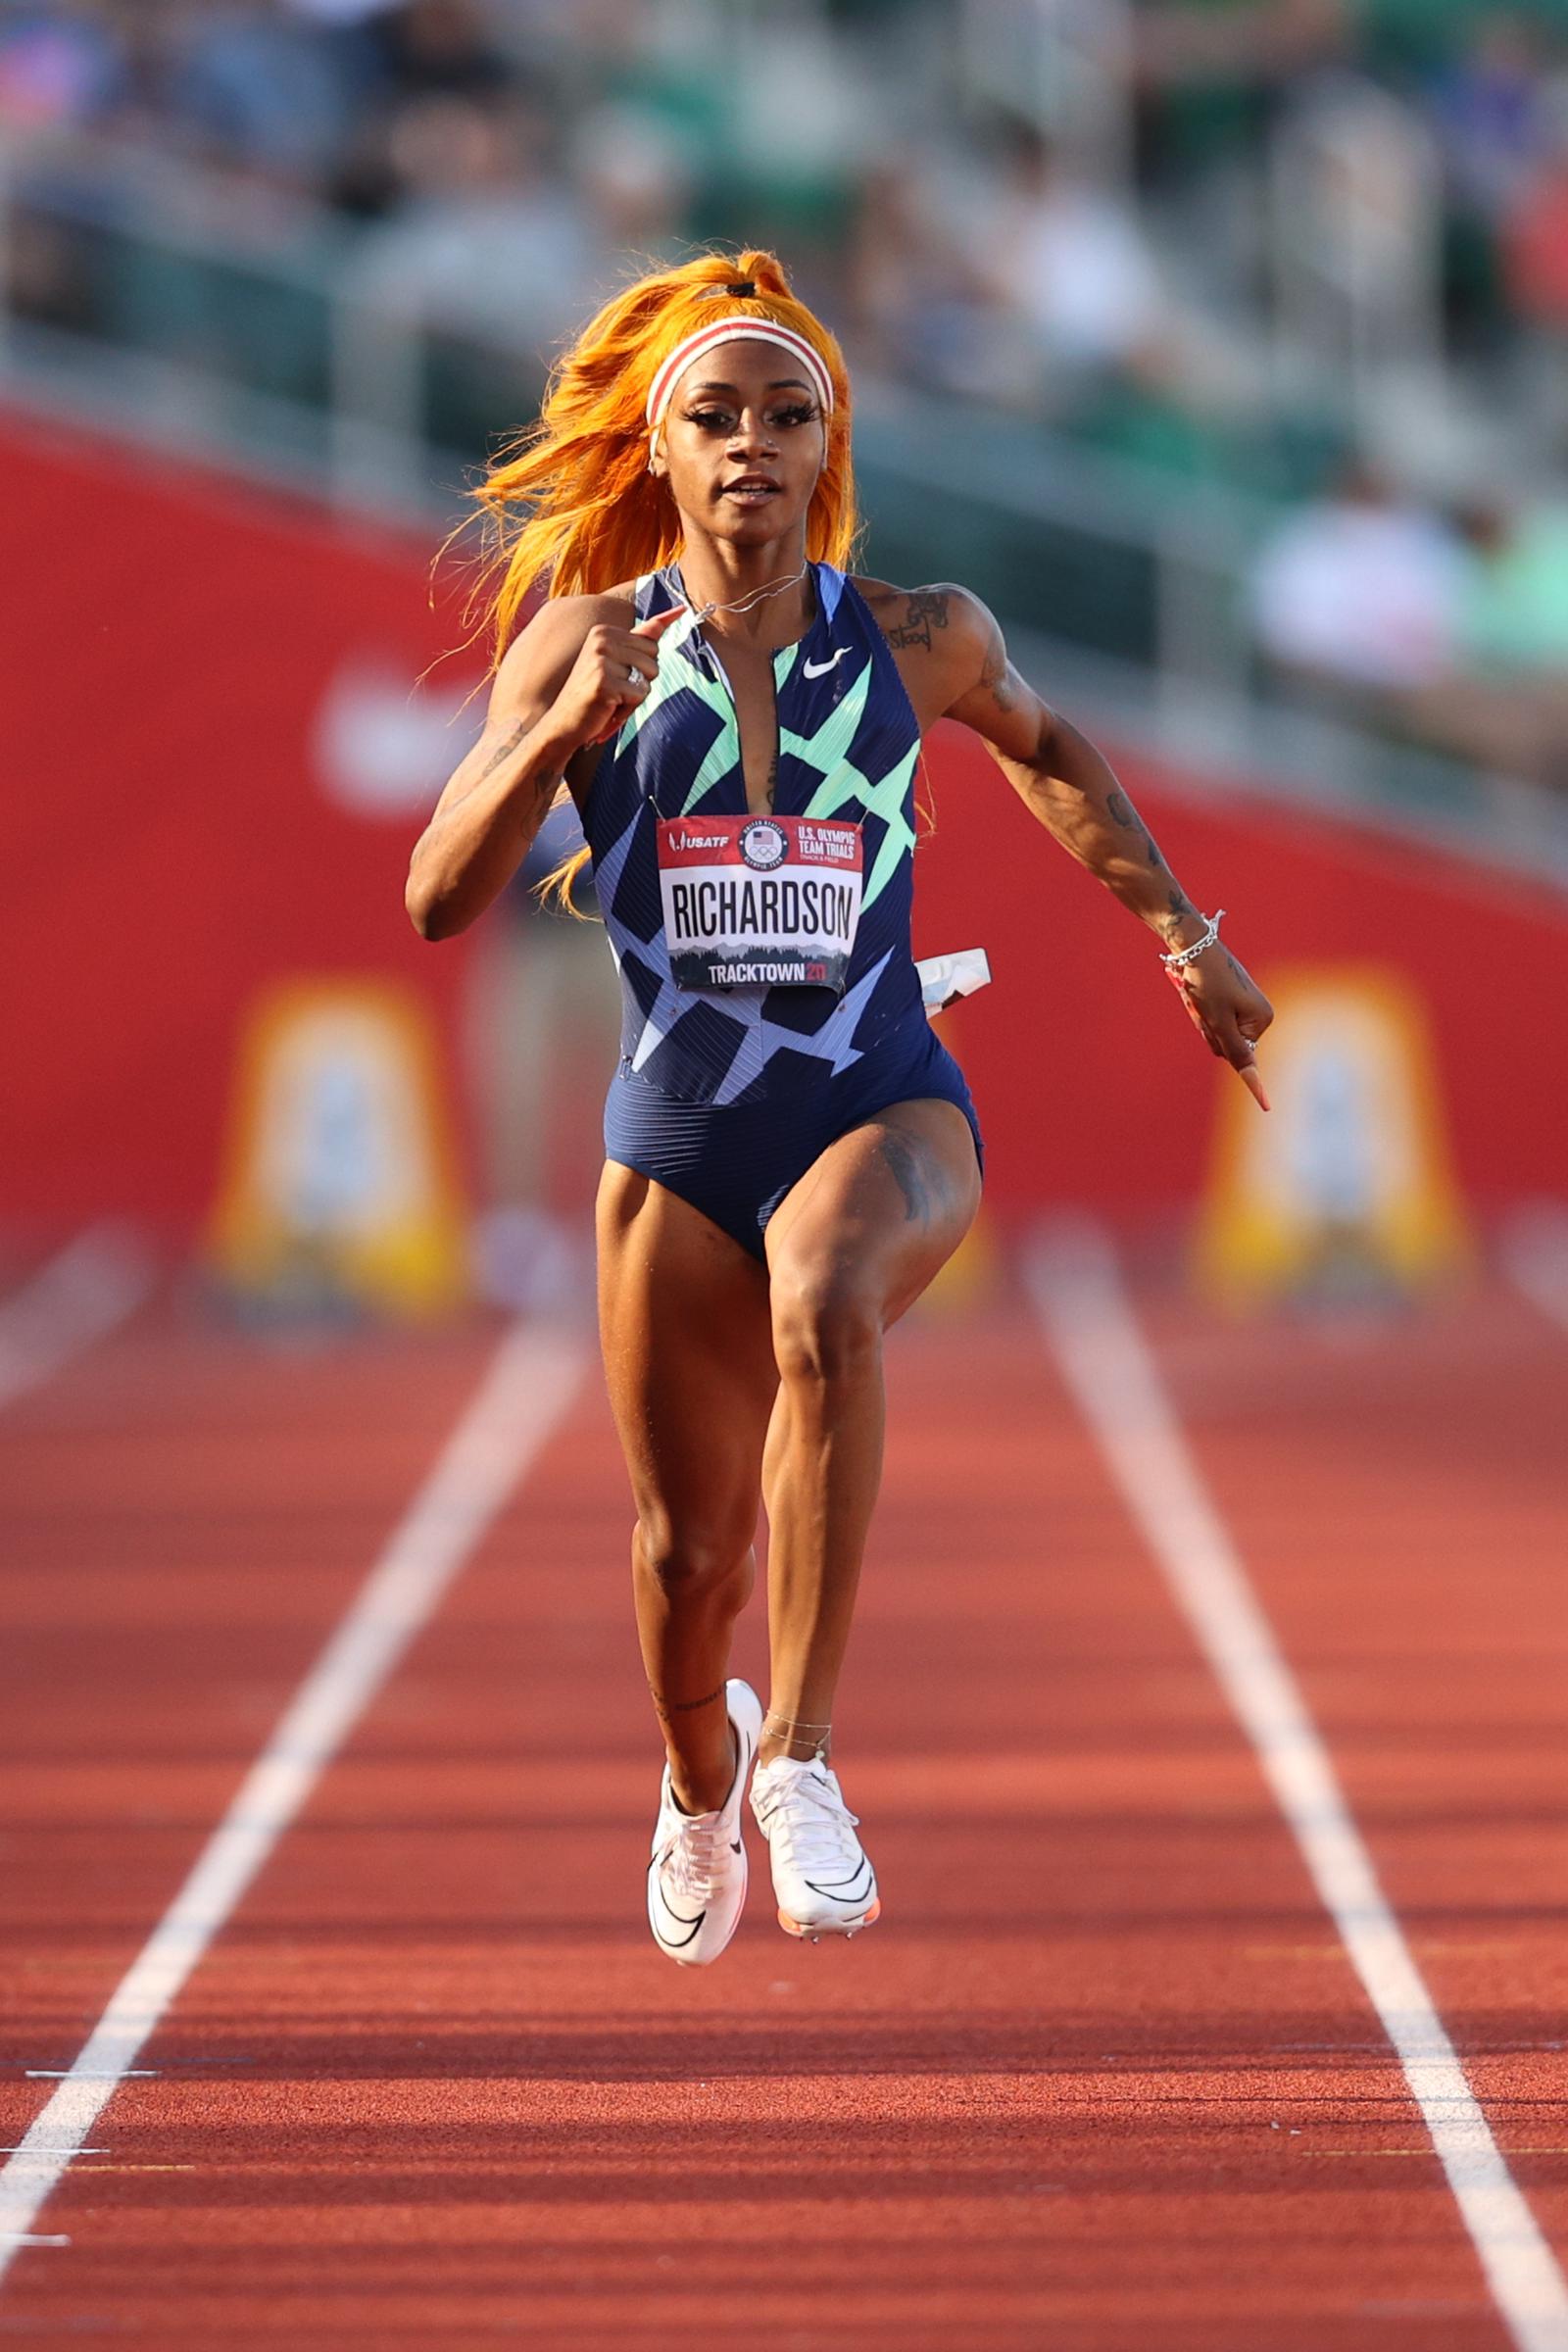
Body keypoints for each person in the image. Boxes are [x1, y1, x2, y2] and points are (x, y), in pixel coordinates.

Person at [406, 249, 1273, 1966]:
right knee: (681, 1557)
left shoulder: (922, 637)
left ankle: (801, 1756)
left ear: (828, 450)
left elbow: (1053, 752)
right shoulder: (590, 645)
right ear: (658, 451)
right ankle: (695, 1766)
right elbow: (437, 894)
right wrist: (544, 743)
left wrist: (1186, 933)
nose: (750, 448)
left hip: (884, 1088)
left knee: (829, 1303)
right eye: (714, 418)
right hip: (677, 1135)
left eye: (786, 417)